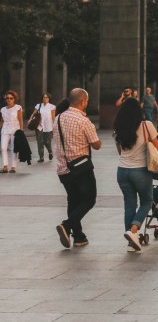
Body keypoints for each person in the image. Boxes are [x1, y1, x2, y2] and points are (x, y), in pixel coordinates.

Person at [54, 88, 101, 248]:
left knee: (73, 200)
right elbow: (96, 145)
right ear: (83, 102)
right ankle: (67, 226)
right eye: (86, 101)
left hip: (63, 168)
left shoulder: (58, 118)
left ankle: (79, 237)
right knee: (89, 199)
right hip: (81, 168)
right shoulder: (84, 121)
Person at [113, 97, 158, 252]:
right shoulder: (146, 125)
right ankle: (134, 230)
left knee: (129, 204)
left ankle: (131, 243)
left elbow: (120, 150)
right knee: (147, 201)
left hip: (122, 171)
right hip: (140, 170)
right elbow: (157, 148)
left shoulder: (118, 128)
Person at [2, 91, 24, 173]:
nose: (9, 99)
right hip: (4, 130)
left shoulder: (18, 107)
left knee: (13, 149)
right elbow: (2, 121)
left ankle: (13, 167)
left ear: (14, 99)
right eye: (7, 98)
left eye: (11, 98)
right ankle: (5, 166)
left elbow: (20, 120)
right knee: (3, 148)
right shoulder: (2, 109)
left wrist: (21, 130)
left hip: (15, 130)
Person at [33, 92, 57, 162]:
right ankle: (41, 157)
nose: (45, 98)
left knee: (47, 142)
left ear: (49, 99)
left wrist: (55, 125)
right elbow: (34, 113)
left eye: (46, 97)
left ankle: (50, 152)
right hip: (40, 126)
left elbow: (53, 117)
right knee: (40, 142)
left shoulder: (52, 106)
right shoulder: (38, 106)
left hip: (49, 127)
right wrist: (30, 119)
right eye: (44, 97)